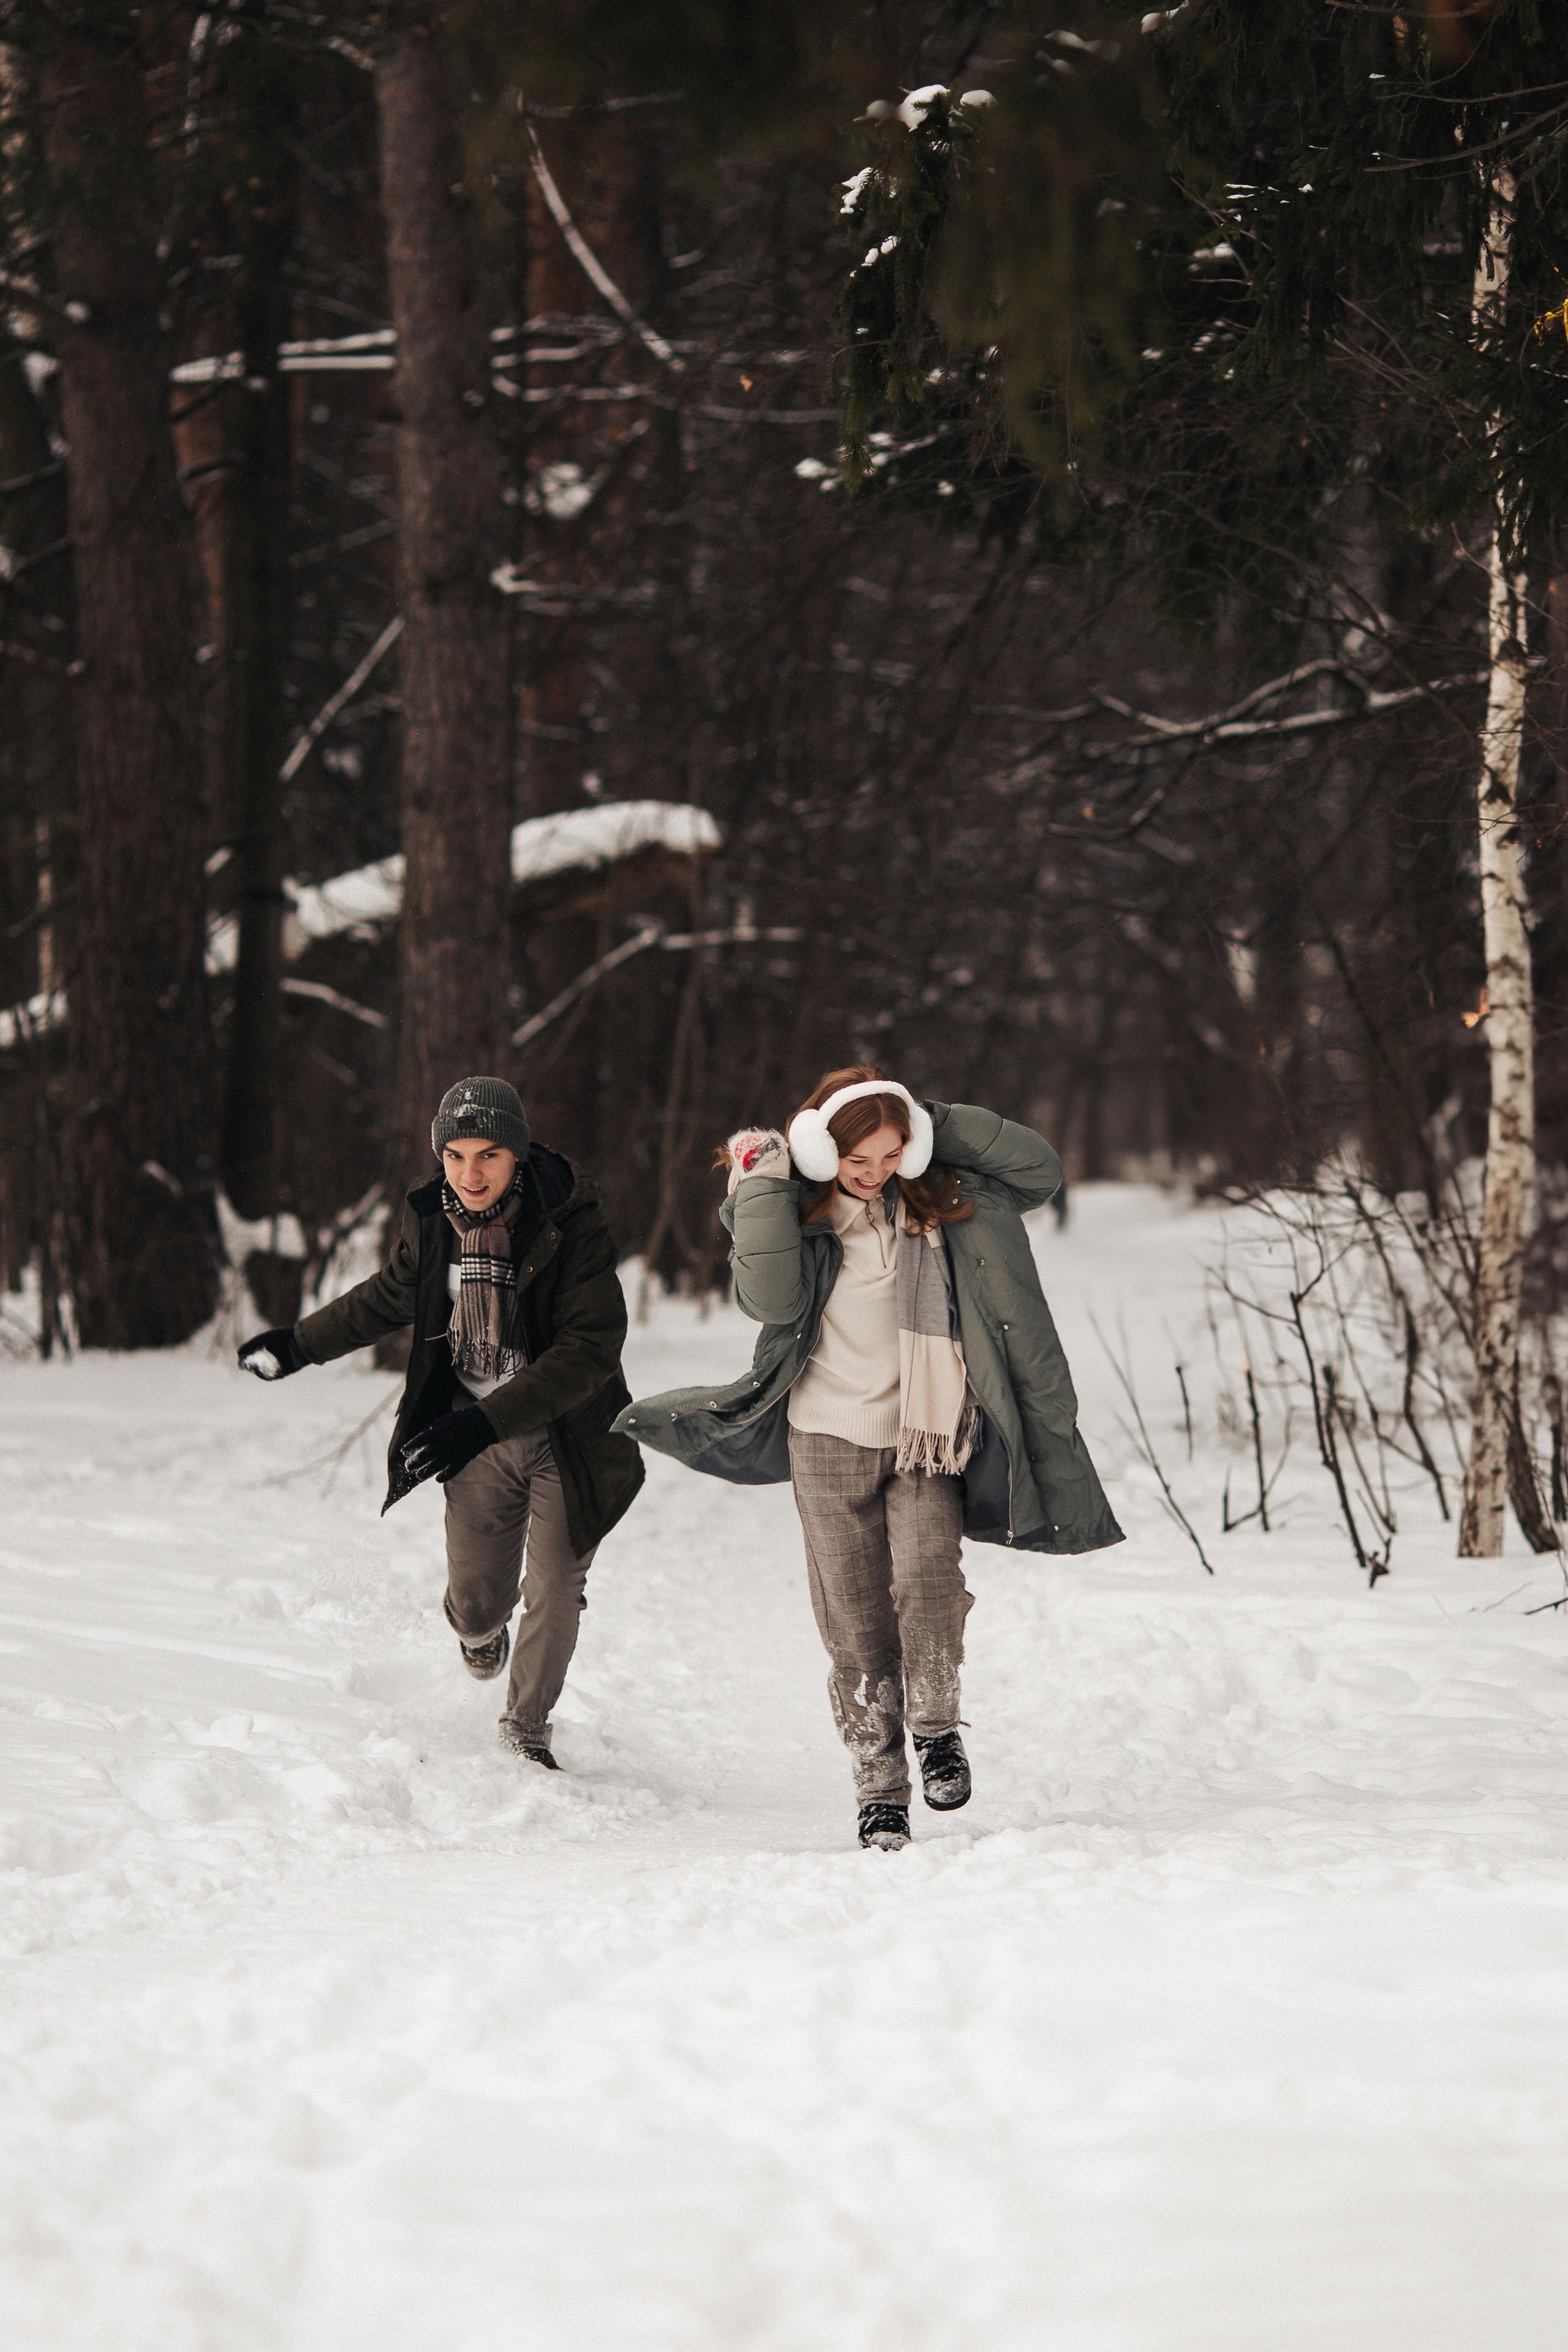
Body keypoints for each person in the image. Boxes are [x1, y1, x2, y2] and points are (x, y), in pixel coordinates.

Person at [614, 1068, 1121, 1852]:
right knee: (854, 1626)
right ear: (821, 1147)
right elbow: (773, 1302)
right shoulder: (794, 1214)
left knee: (929, 1583)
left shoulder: (944, 1204)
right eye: (858, 1155)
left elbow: (1038, 1171)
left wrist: (931, 1124)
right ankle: (878, 1790)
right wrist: (762, 1181)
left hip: (925, 1432)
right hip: (825, 1436)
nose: (874, 1170)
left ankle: (937, 1729)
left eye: (891, 1152)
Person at [238, 1076, 643, 1767]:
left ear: (516, 1155)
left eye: (488, 1155)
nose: (471, 1173)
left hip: (565, 1437)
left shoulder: (570, 1223)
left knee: (555, 1586)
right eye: (455, 1156)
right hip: (473, 1439)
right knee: (479, 1603)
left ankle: (526, 1727)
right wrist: (299, 1344)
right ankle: (480, 1634)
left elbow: (590, 1350)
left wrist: (484, 1423)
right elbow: (393, 1294)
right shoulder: (432, 1220)